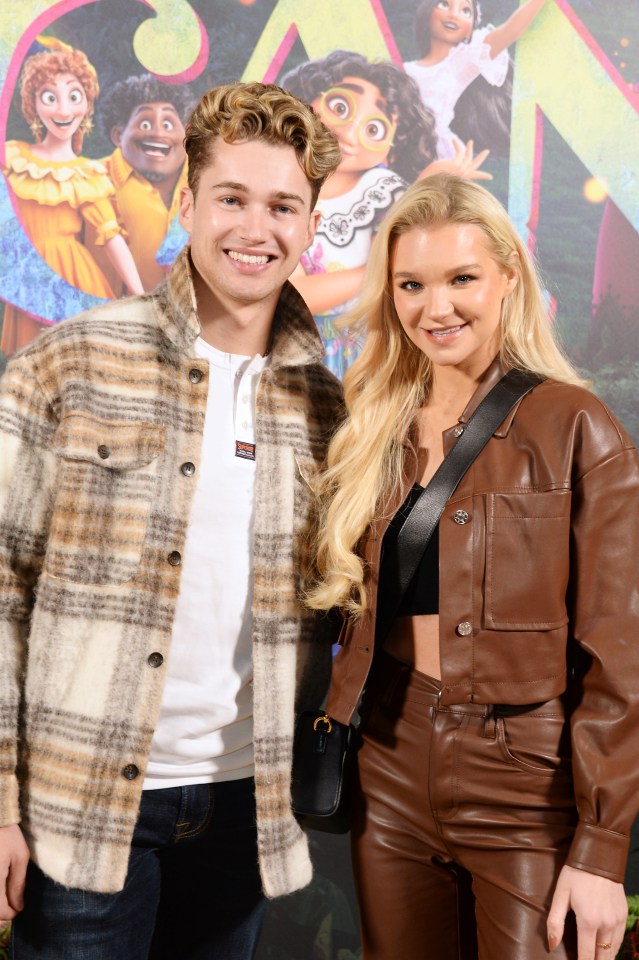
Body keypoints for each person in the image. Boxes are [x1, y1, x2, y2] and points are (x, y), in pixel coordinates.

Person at [0, 81, 343, 959]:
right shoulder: (69, 360)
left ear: (309, 226)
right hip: (80, 804)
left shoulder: (327, 409)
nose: (253, 229)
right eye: (230, 198)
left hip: (246, 809)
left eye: (282, 206)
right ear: (185, 201)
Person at [307, 173, 639, 959]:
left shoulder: (574, 425)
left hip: (525, 776)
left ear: (506, 280)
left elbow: (619, 652)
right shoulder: (372, 427)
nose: (436, 307)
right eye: (411, 285)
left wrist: (599, 847)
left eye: (461, 279)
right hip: (386, 761)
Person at [282, 50, 488, 378]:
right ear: (306, 103)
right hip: (290, 356)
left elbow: (404, 252)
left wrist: (424, 188)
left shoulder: (382, 192)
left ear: (393, 150)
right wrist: (372, 271)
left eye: (374, 128)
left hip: (367, 360)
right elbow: (291, 300)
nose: (349, 134)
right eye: (340, 108)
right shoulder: (277, 190)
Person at [1, 36, 143, 355]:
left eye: (74, 96)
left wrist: (139, 294)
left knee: (72, 367)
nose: (64, 109)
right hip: (28, 276)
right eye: (50, 97)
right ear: (34, 105)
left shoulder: (85, 174)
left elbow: (111, 236)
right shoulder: (13, 157)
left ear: (86, 105)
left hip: (73, 278)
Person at [88, 73, 194, 293]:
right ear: (118, 135)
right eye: (145, 123)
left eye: (168, 124)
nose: (158, 133)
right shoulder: (88, 181)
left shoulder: (206, 180)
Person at [404, 0, 547, 159]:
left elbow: (510, 31)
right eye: (444, 4)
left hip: (439, 157)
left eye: (465, 11)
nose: (454, 15)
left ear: (470, 30)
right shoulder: (404, 70)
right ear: (427, 14)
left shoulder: (461, 63)